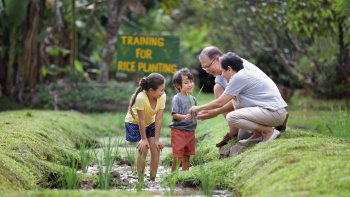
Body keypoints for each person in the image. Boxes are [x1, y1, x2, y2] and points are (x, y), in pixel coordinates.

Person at [198, 46, 288, 147]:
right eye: (204, 68)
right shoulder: (225, 72)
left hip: (268, 107)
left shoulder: (239, 70)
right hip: (257, 106)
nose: (207, 71)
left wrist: (213, 112)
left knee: (232, 117)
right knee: (242, 136)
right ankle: (251, 132)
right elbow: (235, 100)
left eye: (207, 66)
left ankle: (268, 130)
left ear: (217, 59)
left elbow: (222, 102)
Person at [124, 73, 165, 181]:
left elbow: (159, 118)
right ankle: (140, 180)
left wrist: (156, 139)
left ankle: (152, 180)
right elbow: (141, 120)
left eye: (163, 89)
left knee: (155, 148)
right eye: (160, 90)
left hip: (150, 123)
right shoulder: (140, 97)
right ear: (151, 90)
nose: (163, 92)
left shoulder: (162, 96)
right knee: (144, 149)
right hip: (134, 123)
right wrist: (143, 139)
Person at [169, 68, 197, 172]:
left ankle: (185, 174)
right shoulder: (177, 98)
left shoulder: (193, 99)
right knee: (177, 156)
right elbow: (174, 114)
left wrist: (202, 114)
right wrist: (184, 116)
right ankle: (173, 177)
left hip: (190, 130)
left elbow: (196, 114)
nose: (190, 85)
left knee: (187, 155)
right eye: (186, 83)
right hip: (178, 130)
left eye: (191, 82)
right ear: (178, 85)